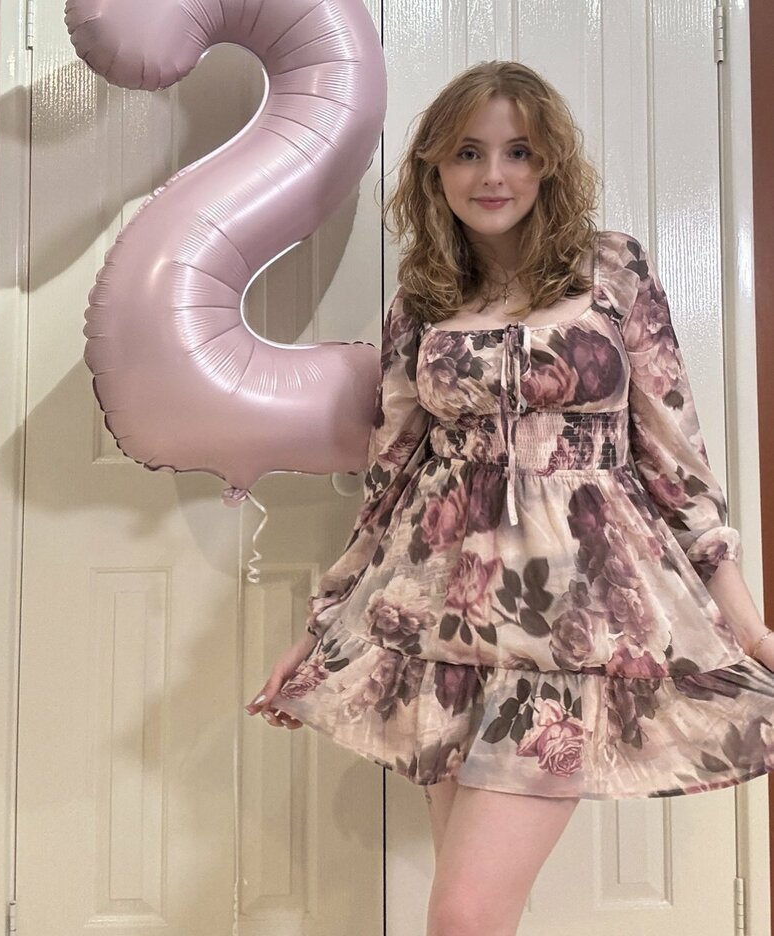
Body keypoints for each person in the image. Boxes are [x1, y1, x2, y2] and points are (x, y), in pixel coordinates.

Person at [245, 60, 774, 936]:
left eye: (518, 151)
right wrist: (319, 624)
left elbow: (677, 458)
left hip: (575, 624)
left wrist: (747, 626)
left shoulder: (612, 271)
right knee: (481, 916)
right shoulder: (423, 298)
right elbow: (390, 478)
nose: (493, 175)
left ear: (550, 163)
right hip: (445, 624)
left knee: (462, 917)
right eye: (468, 152)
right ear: (434, 168)